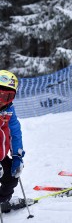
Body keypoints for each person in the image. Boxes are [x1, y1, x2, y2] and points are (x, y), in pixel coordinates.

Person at [0, 70, 25, 209]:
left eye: (7, 96)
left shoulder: (9, 110)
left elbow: (15, 133)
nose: (1, 100)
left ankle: (3, 201)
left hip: (1, 155)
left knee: (11, 178)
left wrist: (17, 156)